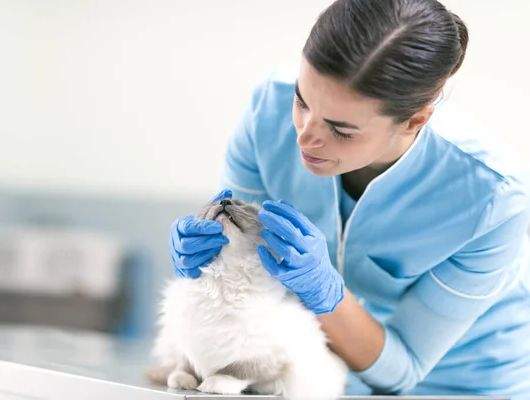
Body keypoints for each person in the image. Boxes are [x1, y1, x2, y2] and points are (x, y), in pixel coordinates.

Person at [168, 0, 530, 398]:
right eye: (302, 101)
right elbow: (249, 274)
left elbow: (403, 369)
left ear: (414, 120)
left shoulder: (493, 198)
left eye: (340, 130)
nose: (304, 136)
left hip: (466, 381)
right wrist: (215, 255)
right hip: (330, 371)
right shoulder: (266, 111)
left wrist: (324, 292)